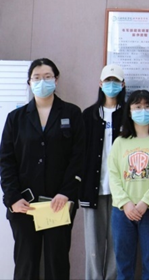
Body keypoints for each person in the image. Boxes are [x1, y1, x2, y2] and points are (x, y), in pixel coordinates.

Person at [0, 58, 85, 280]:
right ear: (29, 82)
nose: (42, 81)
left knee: (57, 263)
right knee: (26, 263)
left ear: (56, 80)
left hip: (59, 202)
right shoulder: (16, 118)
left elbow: (79, 157)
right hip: (24, 204)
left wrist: (66, 192)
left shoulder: (72, 113)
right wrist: (13, 198)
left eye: (47, 77)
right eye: (36, 78)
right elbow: (6, 161)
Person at [108, 90, 149, 280]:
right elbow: (113, 175)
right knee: (123, 264)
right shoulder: (120, 142)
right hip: (122, 211)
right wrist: (125, 203)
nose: (142, 110)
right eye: (137, 107)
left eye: (147, 106)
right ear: (129, 111)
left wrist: (145, 203)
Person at [80, 64, 126, 280]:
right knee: (93, 244)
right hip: (93, 188)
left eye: (115, 81)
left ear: (123, 84)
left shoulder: (128, 114)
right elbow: (79, 152)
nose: (111, 85)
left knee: (119, 242)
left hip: (122, 191)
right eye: (108, 81)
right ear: (100, 83)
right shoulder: (88, 115)